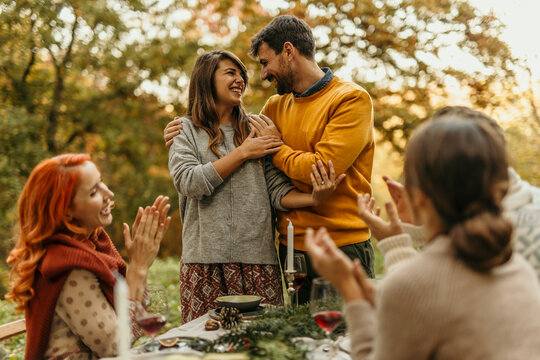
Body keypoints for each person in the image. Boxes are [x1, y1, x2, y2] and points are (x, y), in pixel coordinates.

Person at [306, 119, 540, 359]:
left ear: (418, 195)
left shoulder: (412, 286)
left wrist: (349, 289)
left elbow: (425, 295)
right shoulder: (520, 271)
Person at [167, 50, 344, 323]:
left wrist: (315, 198)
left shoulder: (256, 129)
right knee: (204, 347)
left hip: (258, 263)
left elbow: (277, 191)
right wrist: (242, 153)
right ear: (205, 80)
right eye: (230, 73)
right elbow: (189, 182)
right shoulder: (185, 130)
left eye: (242, 74)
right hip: (204, 264)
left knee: (263, 346)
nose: (240, 80)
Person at [5, 154, 171, 359]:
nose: (108, 193)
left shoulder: (93, 245)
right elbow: (114, 345)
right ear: (66, 213)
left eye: (101, 182)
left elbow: (125, 310)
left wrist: (140, 264)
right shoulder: (69, 267)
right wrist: (138, 267)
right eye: (93, 192)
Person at [364, 107, 540, 279]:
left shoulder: (490, 230)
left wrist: (395, 244)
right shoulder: (495, 204)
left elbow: (428, 298)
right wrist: (418, 225)